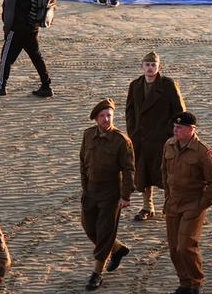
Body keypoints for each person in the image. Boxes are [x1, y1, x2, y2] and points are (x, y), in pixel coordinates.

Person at [161, 111, 212, 294]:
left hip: (192, 204)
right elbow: (164, 173)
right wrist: (167, 197)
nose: (175, 130)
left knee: (186, 246)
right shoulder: (169, 145)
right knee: (173, 249)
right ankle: (185, 283)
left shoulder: (203, 151)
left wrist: (202, 204)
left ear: (191, 129)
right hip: (173, 203)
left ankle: (196, 284)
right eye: (174, 127)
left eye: (179, 128)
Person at [80, 98, 135, 290]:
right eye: (102, 116)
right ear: (95, 118)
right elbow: (82, 162)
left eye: (109, 115)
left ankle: (96, 273)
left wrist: (125, 196)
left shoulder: (121, 140)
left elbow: (129, 169)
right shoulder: (87, 135)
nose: (106, 119)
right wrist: (85, 187)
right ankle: (118, 248)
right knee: (89, 227)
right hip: (91, 191)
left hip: (111, 192)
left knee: (104, 232)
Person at [125, 51, 185, 221]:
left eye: (153, 65)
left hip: (163, 138)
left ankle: (169, 204)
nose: (150, 68)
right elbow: (130, 111)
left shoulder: (168, 85)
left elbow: (179, 111)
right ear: (142, 66)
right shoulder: (135, 85)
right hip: (141, 138)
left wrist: (173, 134)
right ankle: (147, 206)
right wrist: (133, 131)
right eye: (147, 65)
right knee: (143, 173)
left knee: (166, 172)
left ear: (160, 67)